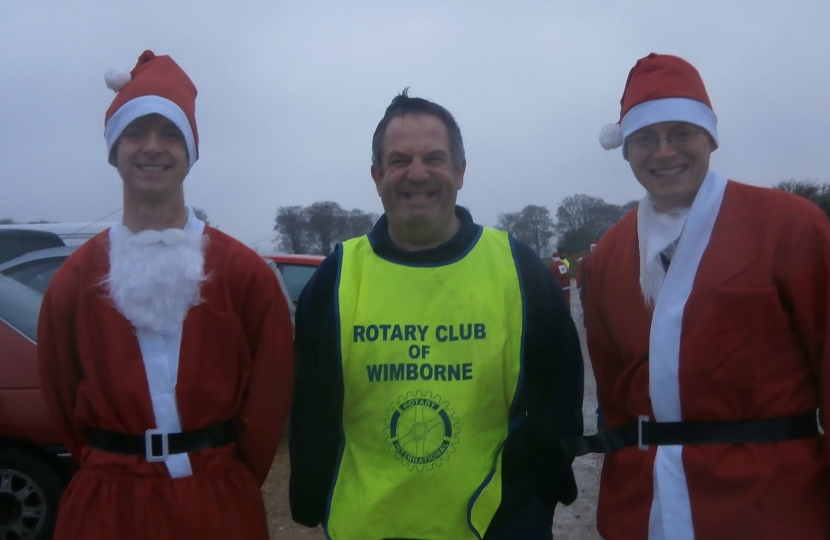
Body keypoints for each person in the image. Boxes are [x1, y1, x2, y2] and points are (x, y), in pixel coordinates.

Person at [289, 90, 583, 539]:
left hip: (495, 526)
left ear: (461, 171)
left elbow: (557, 402)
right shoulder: (338, 275)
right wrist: (311, 500)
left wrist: (536, 500)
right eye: (400, 159)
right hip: (367, 527)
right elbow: (311, 409)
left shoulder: (518, 269)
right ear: (376, 175)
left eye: (434, 158)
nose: (418, 173)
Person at [37, 50, 294, 540]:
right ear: (114, 148)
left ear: (191, 151)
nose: (152, 147)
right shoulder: (74, 280)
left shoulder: (245, 276)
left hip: (216, 503)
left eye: (170, 133)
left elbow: (267, 407)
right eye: (136, 132)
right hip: (105, 506)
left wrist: (225, 480)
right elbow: (60, 393)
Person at [584, 52, 830, 539]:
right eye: (645, 139)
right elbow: (615, 397)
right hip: (647, 505)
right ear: (626, 150)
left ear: (709, 138)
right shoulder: (608, 256)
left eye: (681, 133)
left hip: (771, 504)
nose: (664, 152)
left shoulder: (792, 227)